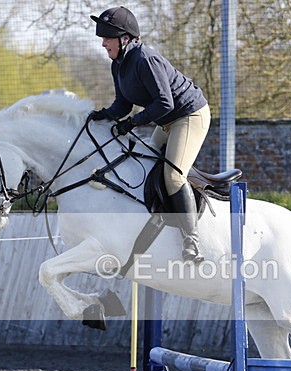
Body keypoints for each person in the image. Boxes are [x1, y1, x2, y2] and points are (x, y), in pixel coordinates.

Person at [89, 6, 210, 263]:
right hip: (167, 122)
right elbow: (122, 105)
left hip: (189, 116)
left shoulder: (146, 60)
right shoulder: (118, 65)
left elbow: (164, 103)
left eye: (107, 37)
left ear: (125, 39)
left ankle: (192, 241)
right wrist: (104, 117)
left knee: (173, 177)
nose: (103, 43)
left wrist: (132, 123)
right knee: (143, 166)